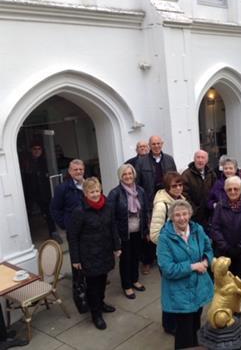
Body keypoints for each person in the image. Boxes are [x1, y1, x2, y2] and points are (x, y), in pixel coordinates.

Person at [157, 200, 214, 349]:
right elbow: (167, 269)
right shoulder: (164, 239)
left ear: (190, 214)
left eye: (184, 214)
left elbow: (208, 249)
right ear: (171, 218)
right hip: (179, 293)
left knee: (196, 325)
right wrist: (193, 266)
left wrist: (206, 262)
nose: (182, 218)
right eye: (177, 215)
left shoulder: (198, 230)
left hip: (198, 288)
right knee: (184, 333)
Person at [68, 177, 121, 330]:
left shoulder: (108, 207)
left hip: (104, 251)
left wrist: (117, 246)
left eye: (97, 191)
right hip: (88, 254)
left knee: (103, 280)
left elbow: (113, 228)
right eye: (92, 192)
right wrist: (75, 259)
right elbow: (73, 237)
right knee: (92, 285)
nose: (96, 194)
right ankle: (95, 313)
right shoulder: (79, 211)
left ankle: (101, 302)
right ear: (85, 193)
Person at [210, 176, 241, 334]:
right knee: (225, 287)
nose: (233, 191)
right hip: (225, 255)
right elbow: (214, 228)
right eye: (229, 189)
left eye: (236, 189)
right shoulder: (220, 206)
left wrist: (240, 247)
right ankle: (230, 313)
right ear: (225, 190)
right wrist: (226, 247)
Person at [150, 171, 186, 335]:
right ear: (167, 187)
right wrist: (173, 245)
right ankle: (169, 325)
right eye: (174, 185)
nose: (178, 188)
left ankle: (178, 320)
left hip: (181, 255)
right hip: (168, 257)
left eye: (180, 184)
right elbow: (154, 235)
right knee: (171, 291)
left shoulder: (180, 200)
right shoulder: (162, 205)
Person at [135, 135, 177, 275]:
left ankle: (168, 256)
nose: (156, 146)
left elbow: (175, 178)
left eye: (159, 143)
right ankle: (147, 261)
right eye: (154, 144)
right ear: (150, 145)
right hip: (150, 201)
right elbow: (138, 184)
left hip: (167, 199)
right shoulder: (142, 162)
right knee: (150, 231)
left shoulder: (169, 159)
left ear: (162, 144)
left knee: (168, 228)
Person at [107, 164, 148, 300]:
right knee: (125, 260)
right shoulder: (114, 193)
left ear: (134, 174)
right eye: (125, 174)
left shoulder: (140, 191)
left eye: (130, 173)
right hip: (123, 233)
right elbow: (111, 218)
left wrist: (146, 230)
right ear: (120, 176)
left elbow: (145, 212)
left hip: (138, 230)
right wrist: (114, 238)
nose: (128, 176)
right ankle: (127, 285)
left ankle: (135, 280)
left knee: (136, 256)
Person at [20, 141, 61, 243]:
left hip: (45, 192)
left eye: (39, 149)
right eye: (35, 149)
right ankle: (26, 239)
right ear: (31, 150)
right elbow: (25, 177)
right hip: (30, 192)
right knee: (26, 214)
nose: (37, 151)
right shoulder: (26, 162)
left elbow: (52, 174)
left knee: (48, 212)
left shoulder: (46, 161)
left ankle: (53, 233)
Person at [181, 150, 216, 230]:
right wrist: (194, 210)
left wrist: (212, 206)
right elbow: (184, 195)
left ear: (206, 160)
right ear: (194, 159)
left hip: (208, 214)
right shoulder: (186, 175)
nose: (200, 160)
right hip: (194, 215)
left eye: (203, 158)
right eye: (198, 157)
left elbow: (215, 191)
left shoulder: (211, 174)